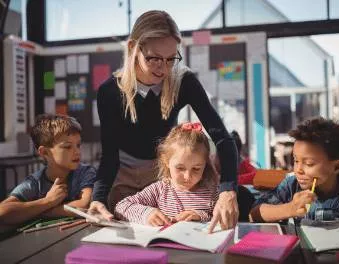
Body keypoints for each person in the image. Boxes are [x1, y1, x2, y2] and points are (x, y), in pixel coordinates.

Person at [89, 10, 239, 232]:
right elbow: (109, 155)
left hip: (164, 174)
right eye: (154, 58)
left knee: (168, 232)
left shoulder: (183, 81)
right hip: (123, 174)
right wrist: (98, 198)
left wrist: (228, 189)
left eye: (171, 59)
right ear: (133, 48)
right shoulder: (110, 91)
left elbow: (223, 139)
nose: (163, 68)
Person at [250, 117, 339, 222]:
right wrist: (290, 208)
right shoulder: (291, 185)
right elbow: (254, 214)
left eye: (309, 163)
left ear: (338, 166)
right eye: (296, 161)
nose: (298, 170)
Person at [0, 114, 96, 225]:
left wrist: (37, 211)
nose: (77, 152)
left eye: (78, 145)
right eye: (68, 147)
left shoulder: (86, 172)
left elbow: (85, 204)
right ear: (45, 152)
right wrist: (47, 201)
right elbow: (3, 211)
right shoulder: (35, 182)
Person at [115, 123, 218, 225]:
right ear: (166, 161)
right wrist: (147, 214)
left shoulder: (213, 192)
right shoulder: (159, 190)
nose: (187, 176)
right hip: (163, 241)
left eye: (196, 169)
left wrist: (201, 216)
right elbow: (121, 207)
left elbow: (226, 220)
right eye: (180, 168)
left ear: (206, 164)